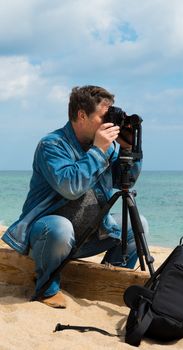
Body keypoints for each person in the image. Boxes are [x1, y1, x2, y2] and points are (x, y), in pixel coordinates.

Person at [2, 85, 148, 308]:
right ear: (82, 115)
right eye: (103, 116)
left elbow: (123, 182)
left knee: (138, 226)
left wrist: (129, 151)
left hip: (90, 235)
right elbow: (70, 187)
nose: (108, 123)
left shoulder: (106, 146)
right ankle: (46, 288)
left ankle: (109, 281)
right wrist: (99, 151)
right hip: (50, 237)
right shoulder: (52, 145)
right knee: (60, 228)